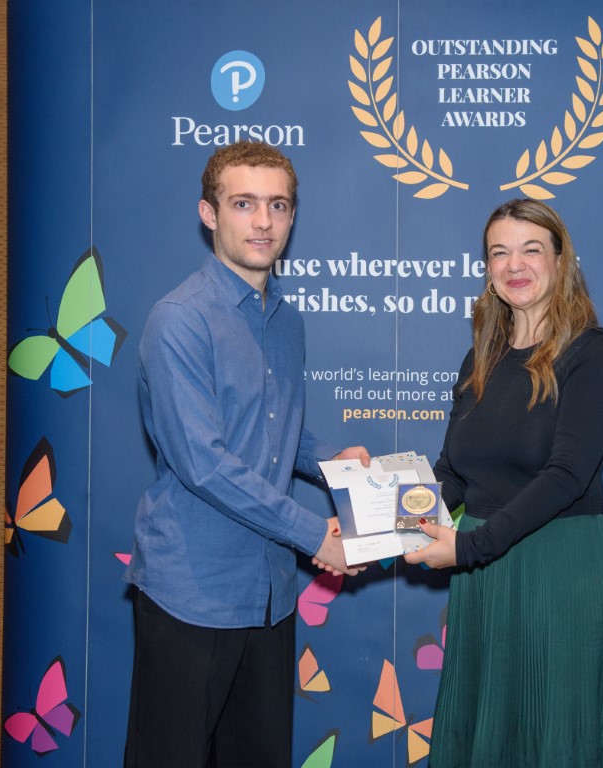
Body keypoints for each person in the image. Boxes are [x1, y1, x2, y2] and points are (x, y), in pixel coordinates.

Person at [123, 140, 369, 768]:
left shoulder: (286, 321)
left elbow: (276, 432)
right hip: (192, 592)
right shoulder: (180, 319)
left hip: (269, 595)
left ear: (292, 216)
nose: (263, 221)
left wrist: (336, 462)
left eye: (277, 205)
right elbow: (204, 463)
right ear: (209, 214)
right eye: (243, 204)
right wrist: (316, 536)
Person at [404, 199, 603, 767]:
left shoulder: (593, 353)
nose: (515, 264)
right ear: (487, 269)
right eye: (499, 252)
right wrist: (386, 522)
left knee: (554, 737)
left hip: (559, 572)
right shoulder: (479, 359)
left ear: (561, 261)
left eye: (532, 249)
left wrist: (469, 548)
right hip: (486, 576)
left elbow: (567, 476)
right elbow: (452, 473)